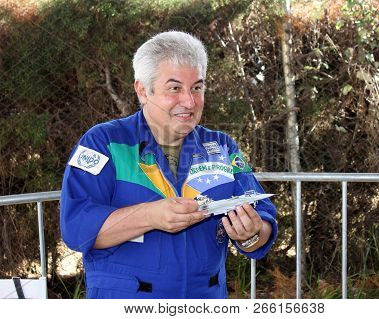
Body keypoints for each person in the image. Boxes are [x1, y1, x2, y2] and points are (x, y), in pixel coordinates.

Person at [60, 31, 277, 299]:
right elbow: (76, 227)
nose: (189, 101)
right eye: (174, 88)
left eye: (197, 87)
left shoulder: (220, 146)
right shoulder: (104, 142)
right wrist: (151, 216)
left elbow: (263, 217)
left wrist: (252, 234)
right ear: (143, 91)